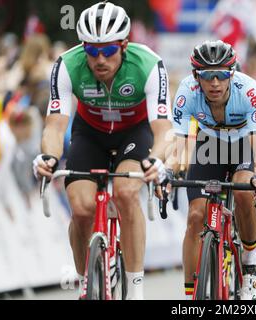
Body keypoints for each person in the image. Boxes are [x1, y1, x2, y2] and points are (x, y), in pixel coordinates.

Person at [32, 2, 173, 300]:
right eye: (91, 50)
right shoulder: (67, 64)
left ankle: (135, 291)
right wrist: (49, 157)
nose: (99, 59)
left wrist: (157, 160)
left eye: (108, 50)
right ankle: (87, 285)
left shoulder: (148, 64)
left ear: (123, 45)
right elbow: (55, 126)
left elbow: (162, 129)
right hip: (90, 133)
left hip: (134, 134)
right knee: (81, 208)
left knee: (125, 192)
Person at [169, 40, 256, 300]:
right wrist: (171, 171)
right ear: (196, 76)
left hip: (243, 145)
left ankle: (249, 258)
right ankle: (192, 295)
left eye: (221, 75)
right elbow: (179, 141)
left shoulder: (249, 90)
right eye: (207, 75)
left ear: (232, 74)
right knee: (195, 216)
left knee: (244, 192)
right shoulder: (186, 91)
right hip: (209, 146)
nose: (214, 82)